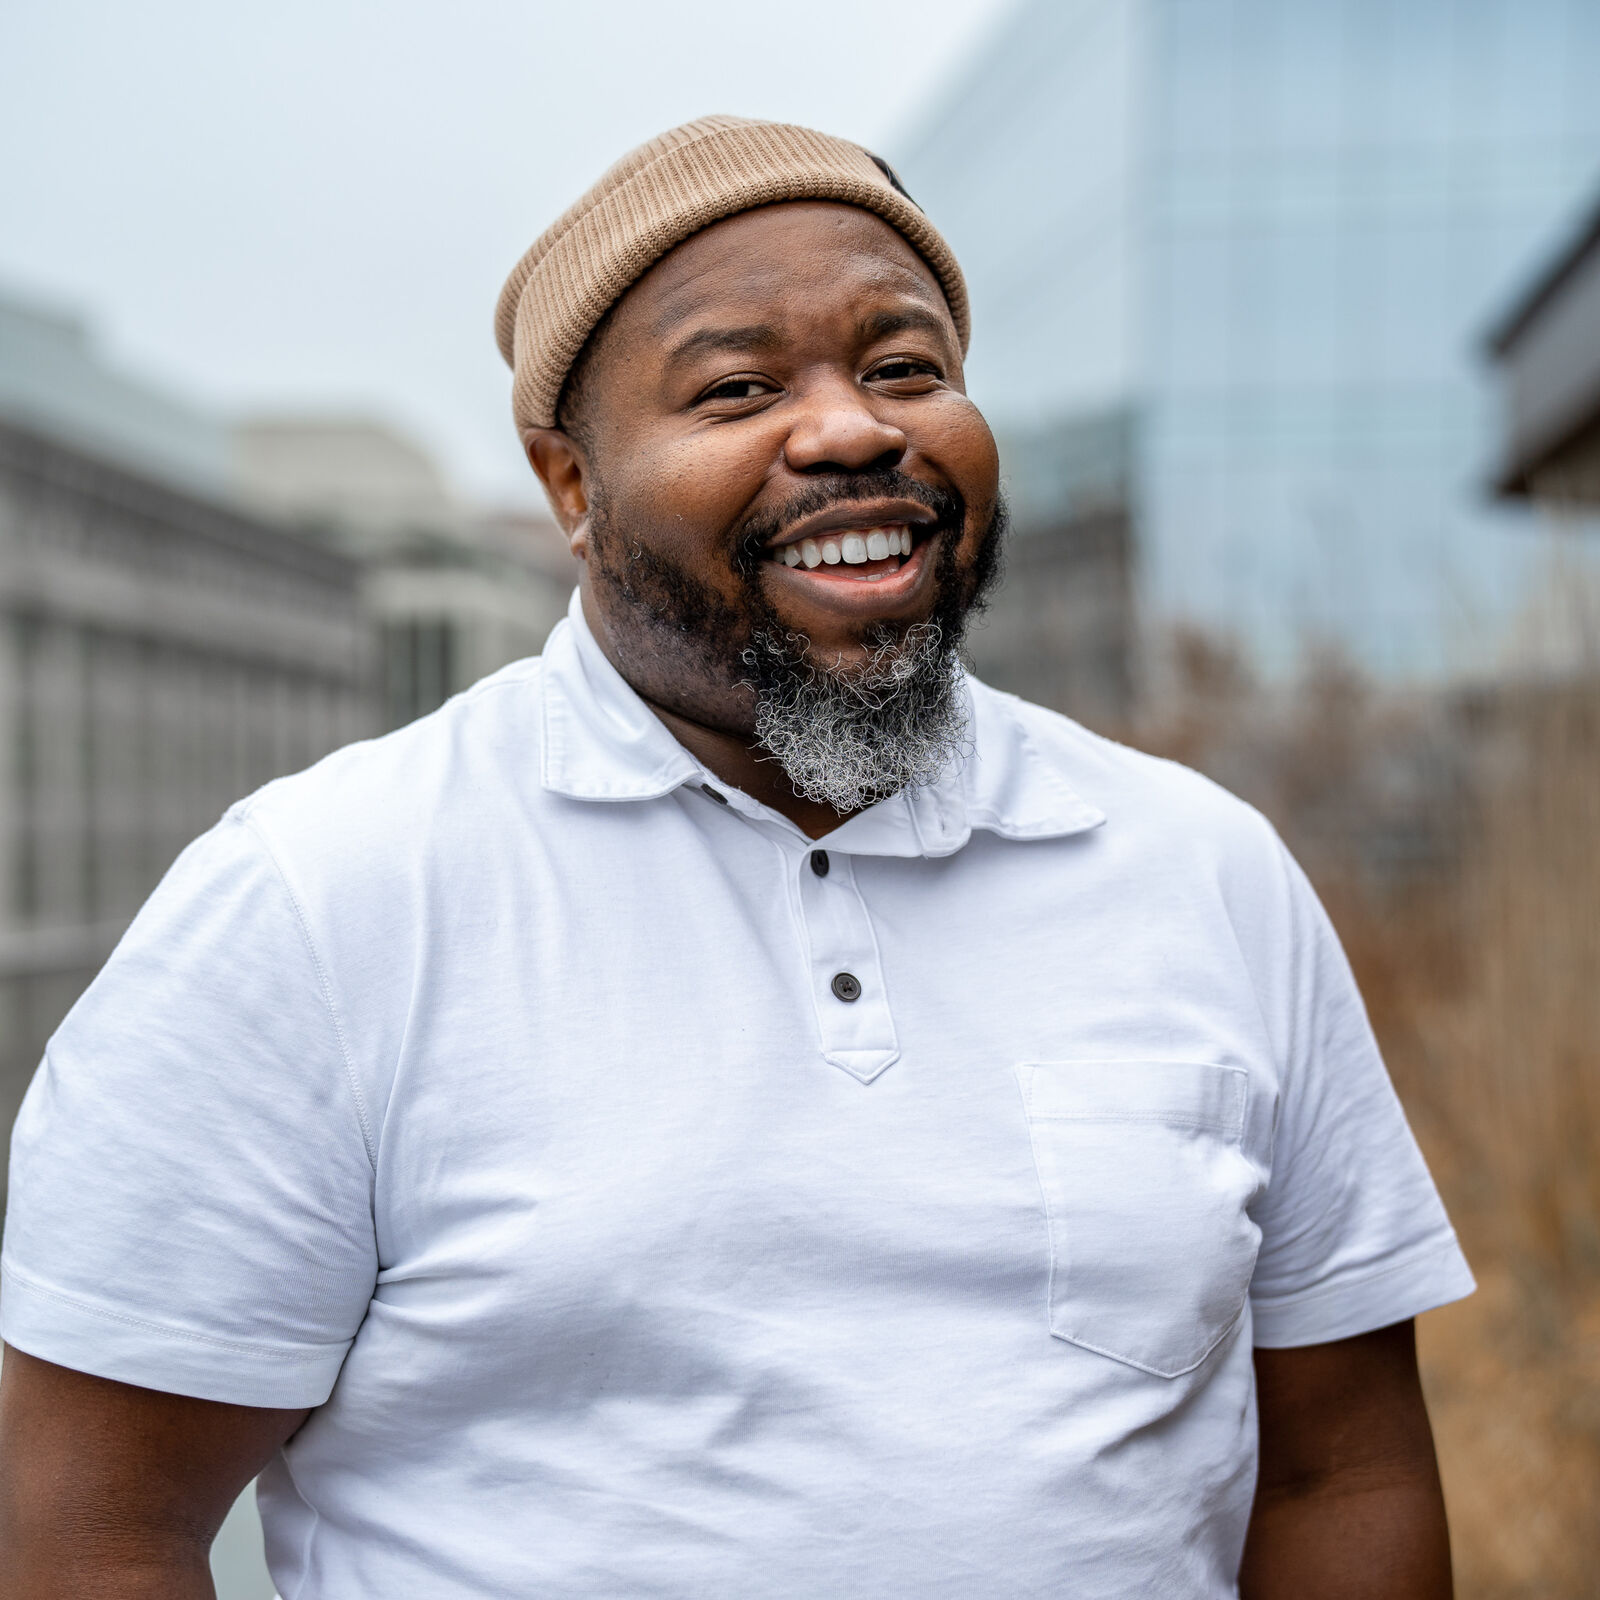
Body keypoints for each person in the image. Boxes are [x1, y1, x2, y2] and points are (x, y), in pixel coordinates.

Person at [0, 117, 1473, 1598]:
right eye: (738, 388)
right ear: (571, 488)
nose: (849, 429)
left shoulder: (1204, 870)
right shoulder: (320, 901)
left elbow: (1341, 1469)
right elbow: (83, 1528)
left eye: (905, 367)